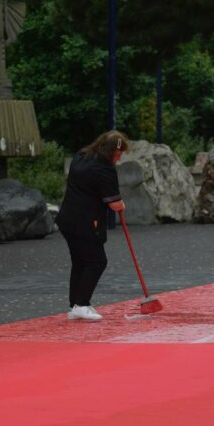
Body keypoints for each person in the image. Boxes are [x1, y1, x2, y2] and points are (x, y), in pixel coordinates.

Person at [55, 130, 128, 321]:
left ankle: (76, 305)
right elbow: (114, 203)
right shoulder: (104, 169)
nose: (119, 158)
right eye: (118, 154)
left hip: (67, 219)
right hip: (85, 221)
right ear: (111, 150)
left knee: (80, 261)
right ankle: (82, 303)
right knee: (97, 261)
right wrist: (121, 205)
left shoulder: (81, 156)